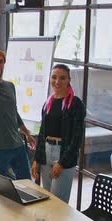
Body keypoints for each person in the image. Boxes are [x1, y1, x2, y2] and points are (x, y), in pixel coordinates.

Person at [31, 64, 86, 203]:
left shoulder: (75, 103)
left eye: (62, 78)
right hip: (47, 152)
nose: (57, 81)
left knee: (58, 203)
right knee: (47, 199)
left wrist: (62, 163)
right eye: (54, 77)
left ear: (69, 80)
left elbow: (77, 138)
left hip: (63, 154)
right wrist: (37, 159)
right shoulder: (48, 102)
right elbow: (43, 132)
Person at [0, 48, 36, 180]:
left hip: (17, 144)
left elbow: (13, 112)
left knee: (26, 182)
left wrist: (27, 133)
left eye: (1, 61)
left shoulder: (10, 86)